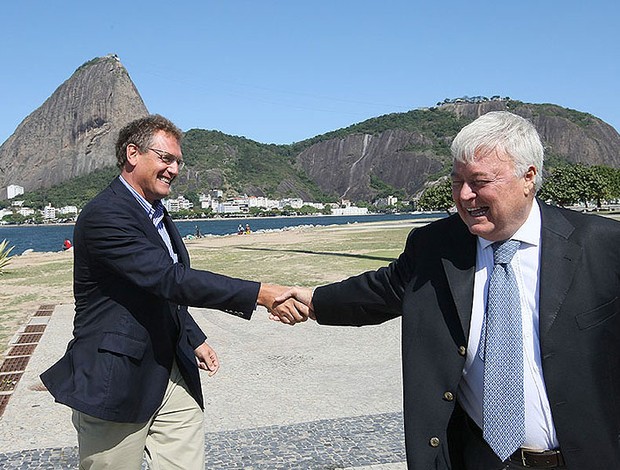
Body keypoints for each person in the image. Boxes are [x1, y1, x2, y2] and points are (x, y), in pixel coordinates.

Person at [277, 111, 620, 469]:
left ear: (528, 177)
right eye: (457, 182)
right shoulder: (435, 245)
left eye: (480, 181)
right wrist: (312, 301)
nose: (465, 195)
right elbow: (380, 291)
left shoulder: (600, 245)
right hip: (478, 460)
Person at [40, 115, 306, 470]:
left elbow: (160, 290)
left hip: (171, 369)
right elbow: (169, 279)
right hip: (116, 375)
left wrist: (192, 336)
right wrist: (261, 293)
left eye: (178, 161)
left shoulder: (156, 213)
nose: (175, 169)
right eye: (166, 158)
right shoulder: (106, 214)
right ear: (133, 154)